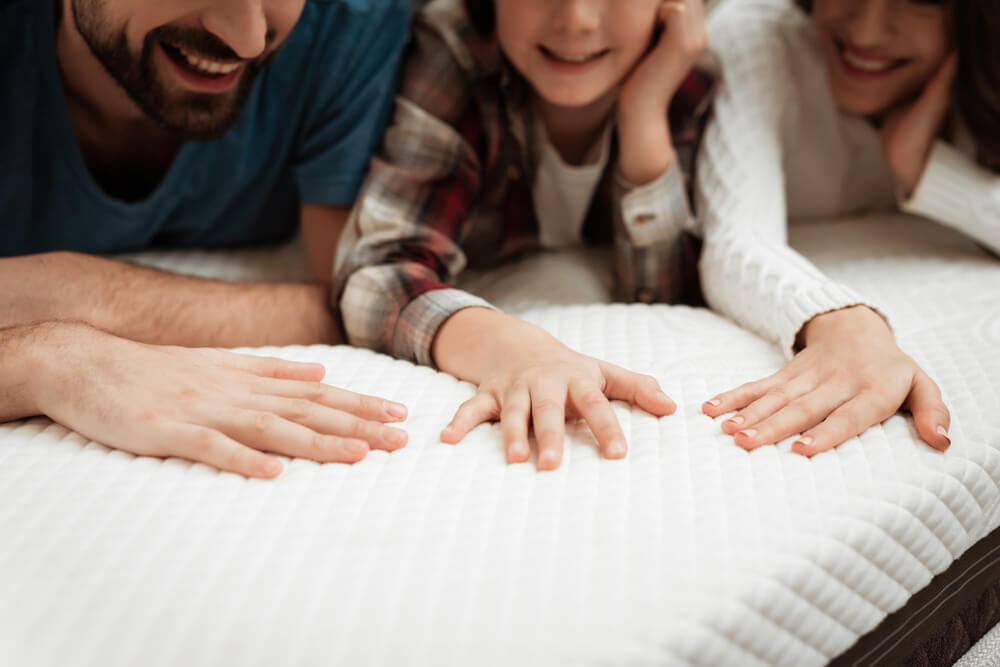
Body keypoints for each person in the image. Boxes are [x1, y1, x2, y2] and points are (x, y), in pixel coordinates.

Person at [0, 0, 412, 478]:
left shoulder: (349, 23)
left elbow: (353, 302)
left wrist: (82, 294)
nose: (249, 40)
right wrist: (46, 361)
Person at [336, 0, 716, 470]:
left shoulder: (686, 67)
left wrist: (645, 113)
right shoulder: (457, 47)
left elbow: (668, 297)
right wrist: (515, 350)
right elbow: (375, 274)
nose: (576, 20)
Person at [697, 0, 999, 456]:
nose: (868, 32)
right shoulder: (758, 34)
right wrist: (844, 322)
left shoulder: (977, 77)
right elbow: (736, 239)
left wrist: (925, 169)